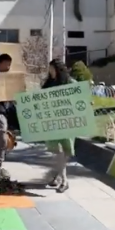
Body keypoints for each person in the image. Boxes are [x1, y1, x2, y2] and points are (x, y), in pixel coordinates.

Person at [42, 59, 76, 193]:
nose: (50, 72)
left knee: (64, 152)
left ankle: (58, 177)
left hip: (67, 122)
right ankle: (64, 180)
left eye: (52, 69)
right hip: (52, 123)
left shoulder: (70, 83)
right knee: (59, 151)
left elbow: (81, 97)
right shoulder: (48, 84)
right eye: (49, 69)